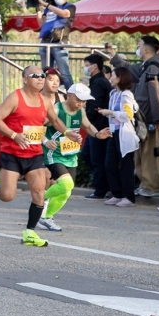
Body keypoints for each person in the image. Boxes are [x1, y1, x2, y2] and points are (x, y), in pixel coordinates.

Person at [0, 66, 75, 247]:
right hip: (12, 153)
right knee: (7, 195)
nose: (40, 78)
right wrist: (14, 136)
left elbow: (55, 120)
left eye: (42, 75)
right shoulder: (15, 98)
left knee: (39, 193)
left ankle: (29, 232)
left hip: (34, 154)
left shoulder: (45, 101)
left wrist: (67, 133)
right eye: (35, 76)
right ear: (25, 79)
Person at [37, 82, 95, 230]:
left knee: (66, 192)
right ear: (68, 96)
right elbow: (38, 125)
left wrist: (98, 134)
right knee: (66, 184)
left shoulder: (81, 111)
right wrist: (45, 141)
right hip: (53, 154)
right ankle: (41, 199)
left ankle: (46, 217)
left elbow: (88, 126)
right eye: (78, 100)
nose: (81, 104)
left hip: (70, 156)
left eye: (84, 101)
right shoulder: (56, 109)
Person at [101, 66, 139, 207]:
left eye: (113, 75)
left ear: (119, 78)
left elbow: (128, 115)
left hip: (124, 134)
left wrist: (111, 113)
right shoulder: (113, 93)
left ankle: (128, 196)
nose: (110, 78)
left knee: (125, 165)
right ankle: (116, 194)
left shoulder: (126, 95)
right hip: (113, 132)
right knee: (109, 164)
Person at [130, 36, 159, 200]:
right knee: (142, 154)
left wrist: (157, 119)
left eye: (140, 45)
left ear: (146, 49)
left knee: (150, 155)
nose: (138, 47)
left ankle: (151, 186)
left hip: (150, 120)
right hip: (143, 119)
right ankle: (144, 184)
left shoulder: (153, 67)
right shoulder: (146, 66)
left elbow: (155, 96)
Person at [82, 53, 113, 200]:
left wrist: (86, 120)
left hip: (98, 126)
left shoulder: (99, 83)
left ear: (94, 66)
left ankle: (101, 189)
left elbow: (95, 105)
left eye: (87, 65)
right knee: (89, 155)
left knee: (96, 158)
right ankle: (103, 186)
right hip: (97, 126)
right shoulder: (98, 81)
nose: (85, 68)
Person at [36, 0, 75, 88]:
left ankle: (71, 93)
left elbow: (64, 14)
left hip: (59, 42)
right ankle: (46, 93)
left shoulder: (70, 7)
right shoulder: (49, 9)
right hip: (46, 41)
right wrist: (38, 8)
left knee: (64, 73)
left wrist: (46, 4)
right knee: (46, 72)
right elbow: (41, 24)